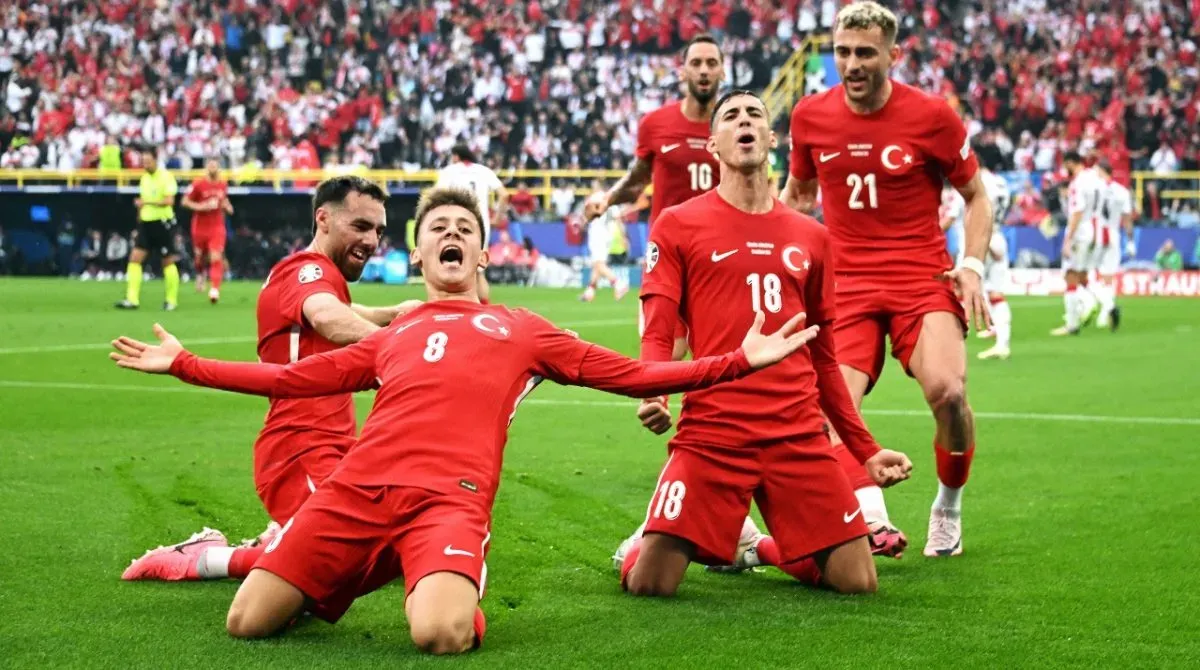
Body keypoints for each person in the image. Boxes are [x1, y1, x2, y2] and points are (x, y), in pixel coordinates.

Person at [109, 186, 822, 654]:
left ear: (482, 254)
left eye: (464, 230)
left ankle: (443, 574)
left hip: (448, 501)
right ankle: (378, 561)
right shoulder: (393, 333)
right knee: (247, 622)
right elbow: (291, 380)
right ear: (418, 253)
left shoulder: (523, 329)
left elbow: (630, 375)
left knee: (442, 635)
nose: (451, 236)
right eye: (437, 230)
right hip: (353, 493)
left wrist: (738, 361)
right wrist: (185, 364)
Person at [618, 90, 912, 598]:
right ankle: (642, 546)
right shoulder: (678, 224)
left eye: (755, 114)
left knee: (857, 582)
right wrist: (655, 391)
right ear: (713, 143)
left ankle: (754, 548)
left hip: (795, 432)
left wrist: (865, 450)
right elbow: (659, 329)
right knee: (650, 584)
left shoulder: (811, 236)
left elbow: (824, 359)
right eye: (731, 116)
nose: (745, 121)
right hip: (714, 432)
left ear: (772, 139)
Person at [121, 176, 422, 583]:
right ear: (323, 219)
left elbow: (343, 308)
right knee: (343, 565)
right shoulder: (305, 272)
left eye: (379, 231)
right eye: (361, 226)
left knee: (401, 547)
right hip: (300, 450)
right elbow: (328, 317)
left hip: (339, 450)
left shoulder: (318, 277)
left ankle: (286, 536)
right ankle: (207, 558)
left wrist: (399, 313)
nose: (372, 241)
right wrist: (403, 350)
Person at [781, 0, 994, 558]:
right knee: (829, 409)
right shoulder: (810, 116)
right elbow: (798, 196)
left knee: (949, 393)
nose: (852, 64)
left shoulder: (932, 116)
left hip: (920, 279)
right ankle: (873, 517)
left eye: (865, 53)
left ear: (893, 55)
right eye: (842, 52)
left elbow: (976, 196)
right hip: (844, 285)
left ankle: (948, 506)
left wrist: (972, 266)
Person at [583, 33, 724, 360]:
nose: (704, 70)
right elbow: (638, 178)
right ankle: (656, 392)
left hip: (720, 253)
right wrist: (608, 198)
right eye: (696, 63)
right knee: (664, 351)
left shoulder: (734, 125)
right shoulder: (656, 124)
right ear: (683, 71)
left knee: (718, 357)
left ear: (723, 71)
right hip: (668, 253)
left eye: (711, 63)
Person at [435, 144, 509, 301]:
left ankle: (451, 305)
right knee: (479, 271)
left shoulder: (449, 171)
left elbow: (437, 198)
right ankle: (485, 309)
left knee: (452, 266)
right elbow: (504, 195)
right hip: (479, 224)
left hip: (456, 224)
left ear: (456, 156)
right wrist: (497, 218)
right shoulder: (483, 171)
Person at [116, 147, 182, 311]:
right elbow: (142, 201)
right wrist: (139, 219)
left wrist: (147, 202)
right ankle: (132, 299)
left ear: (155, 159)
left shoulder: (166, 176)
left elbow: (169, 201)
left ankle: (171, 300)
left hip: (162, 223)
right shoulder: (144, 178)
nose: (145, 165)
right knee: (135, 258)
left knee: (167, 261)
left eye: (148, 161)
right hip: (146, 224)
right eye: (143, 162)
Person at [1052, 151, 1106, 336]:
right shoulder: (1095, 177)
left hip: (1080, 232)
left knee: (1070, 276)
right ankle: (1105, 303)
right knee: (1083, 275)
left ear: (1070, 163)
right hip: (1094, 229)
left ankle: (1073, 323)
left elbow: (1077, 212)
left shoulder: (1077, 183)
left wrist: (1067, 240)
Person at [977, 162, 1015, 360]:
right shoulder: (1001, 182)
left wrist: (985, 242)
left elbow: (981, 212)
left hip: (985, 237)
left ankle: (1001, 343)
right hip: (998, 234)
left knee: (985, 290)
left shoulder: (980, 182)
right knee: (993, 292)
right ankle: (1000, 339)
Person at [182, 158, 234, 303]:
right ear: (206, 167)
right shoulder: (198, 184)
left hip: (217, 227)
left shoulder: (223, 184)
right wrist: (202, 206)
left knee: (216, 257)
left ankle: (214, 289)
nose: (212, 168)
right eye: (210, 165)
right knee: (199, 258)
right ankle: (200, 273)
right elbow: (185, 201)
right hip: (199, 227)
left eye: (215, 166)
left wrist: (228, 207)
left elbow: (224, 200)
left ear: (219, 168)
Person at [1093, 161, 1135, 330]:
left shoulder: (1094, 188)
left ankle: (1107, 305)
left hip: (1096, 234)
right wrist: (1130, 241)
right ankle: (1105, 313)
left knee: (1086, 275)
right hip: (1114, 235)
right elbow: (1127, 219)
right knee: (1109, 276)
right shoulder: (1122, 191)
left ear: (1102, 171)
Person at [580, 184, 630, 302]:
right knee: (597, 264)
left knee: (598, 264)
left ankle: (618, 284)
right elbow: (618, 219)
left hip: (597, 234)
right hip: (607, 235)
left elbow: (586, 216)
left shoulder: (594, 198)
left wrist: (583, 223)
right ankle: (590, 291)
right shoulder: (610, 201)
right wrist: (623, 237)